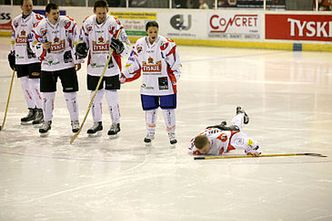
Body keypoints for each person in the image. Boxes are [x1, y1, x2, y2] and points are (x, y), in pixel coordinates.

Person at [121, 21, 182, 145]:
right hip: (148, 82)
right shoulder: (139, 44)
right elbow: (134, 62)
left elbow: (176, 62)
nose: (153, 34)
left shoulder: (166, 44)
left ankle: (171, 134)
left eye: (155, 31)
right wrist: (125, 74)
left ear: (158, 30)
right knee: (150, 109)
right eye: (150, 32)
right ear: (146, 32)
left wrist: (175, 77)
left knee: (168, 109)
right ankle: (150, 133)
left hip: (164, 82)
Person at [76, 0, 130, 137]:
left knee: (112, 97)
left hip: (111, 67)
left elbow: (127, 46)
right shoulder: (88, 23)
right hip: (93, 67)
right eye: (99, 13)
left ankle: (115, 123)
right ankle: (97, 122)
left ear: (108, 11)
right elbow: (82, 42)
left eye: (104, 13)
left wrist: (121, 47)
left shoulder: (115, 24)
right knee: (95, 97)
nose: (101, 15)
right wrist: (80, 53)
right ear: (94, 11)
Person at [30, 3, 83, 136]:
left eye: (58, 13)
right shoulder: (40, 26)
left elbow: (76, 39)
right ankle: (47, 121)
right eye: (54, 13)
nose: (57, 16)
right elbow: (32, 43)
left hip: (66, 64)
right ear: (46, 14)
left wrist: (77, 59)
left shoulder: (67, 23)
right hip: (48, 66)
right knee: (47, 97)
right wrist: (42, 46)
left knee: (71, 96)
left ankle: (75, 121)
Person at [8, 0, 44, 125]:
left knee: (34, 85)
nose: (28, 7)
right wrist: (12, 53)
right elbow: (14, 37)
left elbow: (42, 36)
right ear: (21, 7)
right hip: (20, 57)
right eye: (26, 5)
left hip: (34, 57)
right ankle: (32, 110)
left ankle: (41, 111)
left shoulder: (38, 19)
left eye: (30, 5)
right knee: (24, 85)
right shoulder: (16, 21)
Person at [189, 107, 261, 156]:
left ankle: (241, 114)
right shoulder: (194, 147)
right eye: (200, 150)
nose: (202, 152)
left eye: (204, 150)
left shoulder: (221, 137)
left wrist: (252, 151)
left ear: (208, 142)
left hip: (225, 135)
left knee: (236, 128)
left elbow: (246, 140)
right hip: (210, 131)